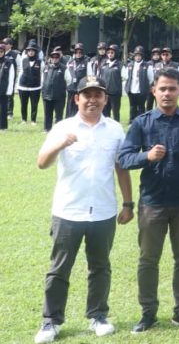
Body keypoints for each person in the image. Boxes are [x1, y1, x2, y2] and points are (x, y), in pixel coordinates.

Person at [34, 75, 134, 344]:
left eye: (97, 94)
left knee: (100, 266)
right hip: (68, 211)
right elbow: (42, 163)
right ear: (76, 98)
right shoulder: (63, 127)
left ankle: (98, 316)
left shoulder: (114, 129)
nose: (92, 99)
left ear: (105, 99)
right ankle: (50, 321)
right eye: (86, 94)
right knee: (59, 269)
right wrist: (59, 143)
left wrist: (128, 203)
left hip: (103, 210)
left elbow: (121, 167)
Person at [118, 67, 179, 332]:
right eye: (163, 89)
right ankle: (148, 313)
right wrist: (146, 156)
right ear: (154, 91)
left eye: (173, 88)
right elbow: (124, 158)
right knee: (148, 259)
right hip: (152, 202)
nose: (168, 93)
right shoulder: (142, 123)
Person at [41, 47, 68, 132]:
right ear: (50, 58)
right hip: (47, 95)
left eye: (56, 57)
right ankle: (47, 129)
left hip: (59, 96)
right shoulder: (46, 68)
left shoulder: (64, 68)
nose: (54, 59)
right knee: (47, 113)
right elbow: (42, 80)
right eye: (53, 57)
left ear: (59, 58)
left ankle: (58, 130)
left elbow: (68, 80)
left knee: (59, 114)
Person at [19, 40, 44, 125]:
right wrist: (17, 85)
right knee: (23, 104)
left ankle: (33, 120)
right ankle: (24, 119)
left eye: (32, 51)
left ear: (35, 52)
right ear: (27, 52)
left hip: (35, 87)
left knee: (34, 105)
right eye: (29, 51)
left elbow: (42, 74)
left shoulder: (40, 62)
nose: (30, 52)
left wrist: (42, 85)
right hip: (23, 86)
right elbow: (20, 72)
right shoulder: (23, 60)